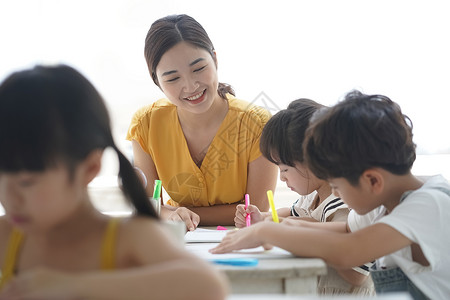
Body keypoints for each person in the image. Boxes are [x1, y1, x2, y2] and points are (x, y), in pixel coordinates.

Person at [0, 65, 228, 300]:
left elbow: (209, 285)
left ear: (90, 168)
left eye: (27, 182)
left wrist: (72, 285)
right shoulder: (7, 235)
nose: (8, 196)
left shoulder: (129, 238)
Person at [211, 90, 450, 299]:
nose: (335, 192)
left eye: (336, 185)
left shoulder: (430, 205)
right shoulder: (383, 203)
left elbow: (349, 250)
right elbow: (345, 230)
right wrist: (280, 226)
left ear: (372, 181)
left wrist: (268, 231)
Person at [127, 14, 278, 231]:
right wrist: (169, 214)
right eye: (172, 78)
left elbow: (256, 210)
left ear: (215, 60)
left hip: (243, 242)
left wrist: (177, 214)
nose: (190, 86)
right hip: (178, 244)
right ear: (157, 81)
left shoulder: (257, 124)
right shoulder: (146, 124)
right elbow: (148, 205)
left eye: (198, 69)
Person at [234, 98, 374, 295]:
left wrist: (287, 233)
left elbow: (355, 273)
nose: (282, 177)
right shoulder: (313, 196)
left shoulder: (344, 203)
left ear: (313, 159)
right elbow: (292, 213)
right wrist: (263, 218)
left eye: (285, 169)